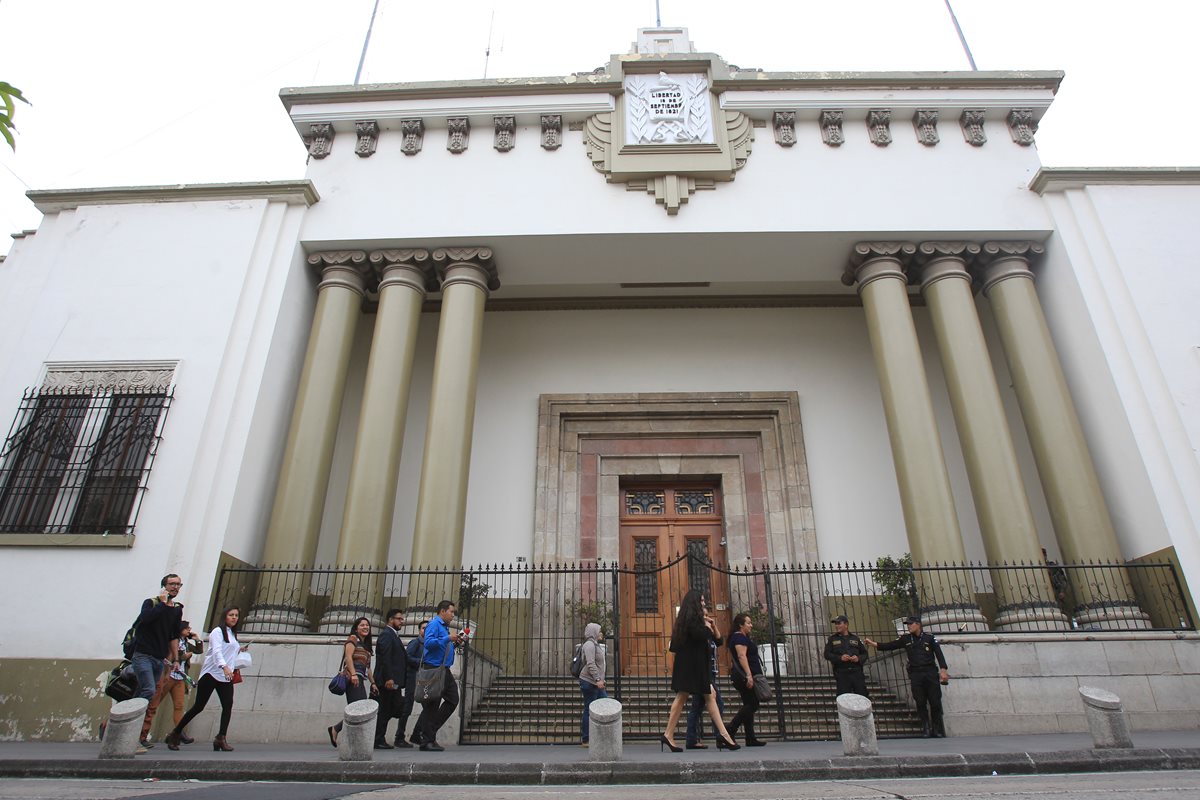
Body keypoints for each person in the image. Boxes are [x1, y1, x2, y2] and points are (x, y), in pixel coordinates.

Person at [660, 590, 739, 752]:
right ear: (694, 603)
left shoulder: (697, 621)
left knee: (707, 697)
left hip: (698, 667)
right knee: (684, 698)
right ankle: (669, 734)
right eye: (702, 601)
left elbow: (718, 641)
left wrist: (713, 625)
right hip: (690, 667)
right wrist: (706, 625)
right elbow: (701, 635)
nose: (704, 604)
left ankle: (723, 735)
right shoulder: (690, 621)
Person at [165, 606, 247, 752]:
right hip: (212, 673)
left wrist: (239, 650)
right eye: (231, 615)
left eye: (236, 615)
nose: (234, 618)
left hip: (225, 676)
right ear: (225, 616)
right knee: (198, 706)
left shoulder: (232, 634)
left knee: (228, 705)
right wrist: (224, 666)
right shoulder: (217, 631)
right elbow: (216, 651)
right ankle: (175, 733)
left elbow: (228, 651)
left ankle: (221, 737)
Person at [865, 615, 950, 738]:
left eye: (911, 624)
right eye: (908, 624)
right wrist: (873, 644)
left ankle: (936, 728)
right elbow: (889, 646)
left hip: (930, 672)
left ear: (918, 624)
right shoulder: (906, 639)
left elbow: (939, 654)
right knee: (920, 701)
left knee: (935, 701)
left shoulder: (929, 638)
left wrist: (943, 670)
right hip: (916, 674)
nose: (909, 626)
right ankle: (925, 727)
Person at [130, 574, 185, 750]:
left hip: (159, 659)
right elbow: (145, 619)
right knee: (148, 690)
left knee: (148, 696)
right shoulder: (151, 603)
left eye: (178, 584)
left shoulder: (176, 609)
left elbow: (173, 635)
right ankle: (131, 735)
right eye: (172, 584)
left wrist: (175, 659)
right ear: (164, 586)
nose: (175, 587)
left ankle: (134, 733)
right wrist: (162, 603)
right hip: (143, 655)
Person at [416, 600, 467, 751]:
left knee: (452, 699)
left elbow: (442, 646)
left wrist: (455, 642)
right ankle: (427, 740)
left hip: (444, 669)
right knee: (432, 704)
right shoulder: (434, 625)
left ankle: (429, 734)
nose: (453, 615)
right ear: (442, 611)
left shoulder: (443, 627)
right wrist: (447, 638)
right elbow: (429, 643)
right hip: (434, 669)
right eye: (451, 612)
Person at [140, 621, 203, 745]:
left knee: (179, 706)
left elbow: (198, 651)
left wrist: (197, 639)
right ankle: (142, 734)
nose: (189, 630)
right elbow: (171, 656)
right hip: (168, 676)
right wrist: (182, 657)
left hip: (180, 677)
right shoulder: (173, 641)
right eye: (187, 628)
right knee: (154, 705)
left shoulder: (186, 643)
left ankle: (179, 733)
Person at [327, 617, 376, 748]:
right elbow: (348, 657)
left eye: (367, 625)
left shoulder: (366, 646)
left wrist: (373, 683)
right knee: (358, 710)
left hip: (360, 678)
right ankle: (347, 737)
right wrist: (353, 674)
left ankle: (336, 729)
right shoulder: (353, 639)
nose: (365, 627)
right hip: (352, 678)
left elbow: (368, 668)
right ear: (356, 628)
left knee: (360, 710)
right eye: (362, 625)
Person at [684, 611, 724, 749]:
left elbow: (719, 641)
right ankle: (721, 736)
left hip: (710, 673)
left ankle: (691, 739)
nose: (707, 617)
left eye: (708, 615)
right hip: (703, 674)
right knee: (718, 704)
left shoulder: (707, 633)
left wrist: (713, 626)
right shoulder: (698, 634)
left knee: (697, 707)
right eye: (704, 615)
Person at [726, 611, 766, 747]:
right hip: (745, 676)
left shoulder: (740, 637)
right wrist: (749, 675)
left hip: (745, 676)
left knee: (748, 703)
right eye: (748, 623)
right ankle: (730, 729)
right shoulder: (739, 638)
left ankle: (750, 737)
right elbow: (742, 656)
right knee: (753, 704)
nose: (751, 625)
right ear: (740, 625)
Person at [373, 608, 408, 750]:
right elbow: (386, 658)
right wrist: (389, 678)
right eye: (399, 619)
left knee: (392, 708)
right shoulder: (387, 635)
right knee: (385, 709)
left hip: (393, 681)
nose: (402, 622)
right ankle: (378, 739)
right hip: (388, 681)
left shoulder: (393, 635)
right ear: (390, 619)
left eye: (402, 619)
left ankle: (378, 737)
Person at [824, 614, 869, 698]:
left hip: (857, 672)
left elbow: (864, 653)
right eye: (836, 624)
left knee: (862, 696)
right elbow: (827, 654)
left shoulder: (855, 638)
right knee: (843, 698)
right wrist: (840, 658)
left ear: (846, 624)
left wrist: (858, 658)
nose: (837, 626)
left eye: (839, 623)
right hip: (842, 673)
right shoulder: (832, 639)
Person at [577, 622, 607, 746]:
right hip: (589, 682)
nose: (601, 633)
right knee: (589, 708)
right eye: (599, 631)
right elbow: (590, 663)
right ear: (594, 632)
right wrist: (597, 679)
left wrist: (600, 679)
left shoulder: (595, 644)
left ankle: (601, 736)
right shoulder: (589, 645)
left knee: (604, 704)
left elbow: (599, 664)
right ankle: (586, 739)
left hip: (595, 682)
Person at [401, 620, 427, 746]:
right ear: (419, 630)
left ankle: (416, 734)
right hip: (413, 677)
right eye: (423, 628)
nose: (425, 631)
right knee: (407, 707)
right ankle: (399, 736)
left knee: (428, 706)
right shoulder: (416, 643)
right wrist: (420, 662)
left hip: (423, 678)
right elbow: (406, 657)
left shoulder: (428, 644)